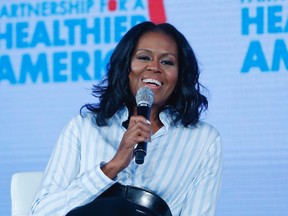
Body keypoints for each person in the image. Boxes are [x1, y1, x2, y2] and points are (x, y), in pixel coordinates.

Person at [30, 21, 223, 216]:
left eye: (167, 62)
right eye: (144, 57)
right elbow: (41, 212)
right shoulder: (83, 127)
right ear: (125, 67)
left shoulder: (203, 140)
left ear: (180, 75)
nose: (154, 67)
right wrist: (112, 166)